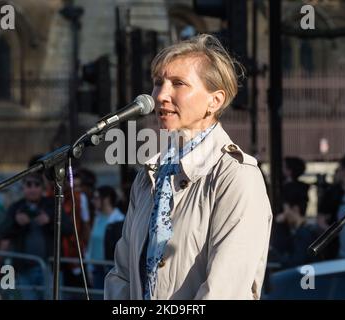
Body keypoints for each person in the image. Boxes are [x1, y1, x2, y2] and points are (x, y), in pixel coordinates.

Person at [104, 34, 272, 300]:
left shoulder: (237, 176)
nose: (161, 95)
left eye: (178, 84)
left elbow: (225, 290)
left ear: (214, 101)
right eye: (158, 83)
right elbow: (122, 274)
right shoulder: (148, 175)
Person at [87, 186, 124, 290]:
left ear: (107, 199)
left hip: (111, 269)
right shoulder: (97, 217)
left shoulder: (120, 220)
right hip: (96, 268)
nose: (93, 201)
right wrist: (89, 267)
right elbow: (92, 244)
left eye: (96, 198)